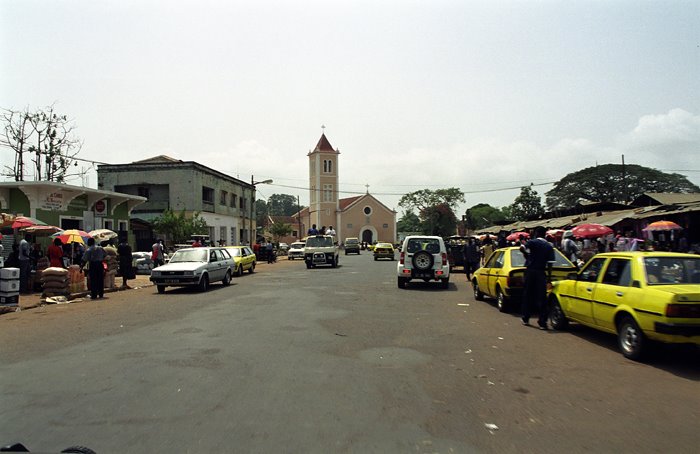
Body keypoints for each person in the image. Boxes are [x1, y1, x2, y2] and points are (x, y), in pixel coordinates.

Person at [520, 226, 555, 330]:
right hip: (541, 272)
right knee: (542, 297)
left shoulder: (532, 242)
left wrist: (525, 254)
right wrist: (548, 277)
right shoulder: (549, 246)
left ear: (536, 233)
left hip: (530, 271)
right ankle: (542, 322)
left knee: (528, 294)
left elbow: (522, 248)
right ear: (545, 234)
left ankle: (526, 318)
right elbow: (550, 264)